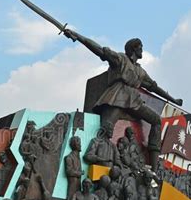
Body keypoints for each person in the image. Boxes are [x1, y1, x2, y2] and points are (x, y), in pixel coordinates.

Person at [63, 29, 183, 171]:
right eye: (140, 47)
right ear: (134, 49)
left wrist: (173, 100)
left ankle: (154, 167)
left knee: (156, 121)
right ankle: (98, 164)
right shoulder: (120, 59)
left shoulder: (140, 71)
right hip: (117, 97)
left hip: (134, 102)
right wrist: (78, 37)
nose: (142, 50)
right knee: (105, 130)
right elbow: (100, 50)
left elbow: (154, 87)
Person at [64, 136, 84, 200]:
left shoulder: (78, 158)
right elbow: (69, 171)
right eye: (78, 143)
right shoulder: (69, 157)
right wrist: (79, 173)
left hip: (78, 184)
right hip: (73, 183)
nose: (80, 145)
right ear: (74, 145)